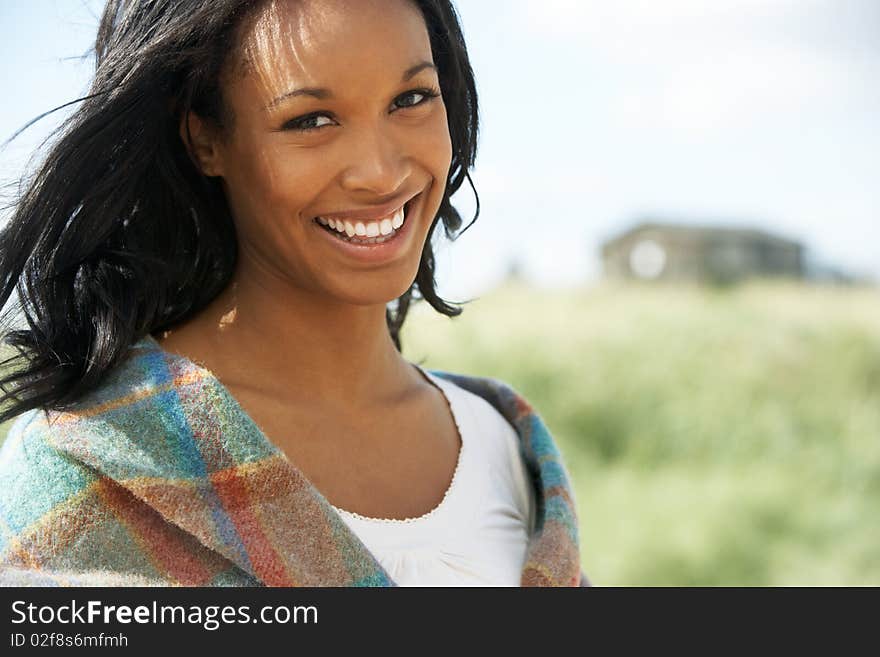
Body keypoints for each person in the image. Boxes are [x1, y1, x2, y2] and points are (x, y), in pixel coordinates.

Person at [0, 0, 588, 586]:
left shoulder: (505, 444)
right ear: (204, 141)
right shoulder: (85, 466)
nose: (380, 174)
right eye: (311, 120)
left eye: (411, 99)